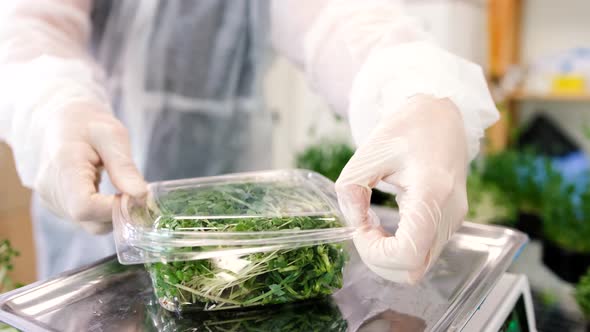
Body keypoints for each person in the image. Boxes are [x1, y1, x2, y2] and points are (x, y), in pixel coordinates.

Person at [0, 0, 499, 283]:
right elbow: (27, 30)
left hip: (242, 233)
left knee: (239, 292)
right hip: (93, 208)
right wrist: (54, 110)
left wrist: (418, 93)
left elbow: (343, 22)